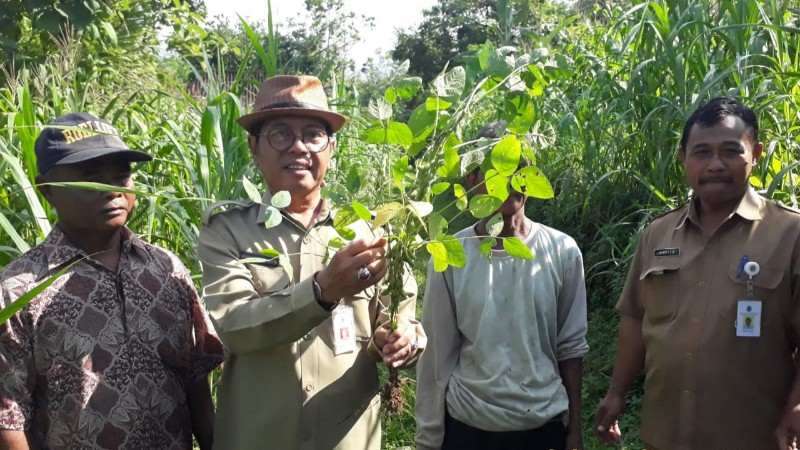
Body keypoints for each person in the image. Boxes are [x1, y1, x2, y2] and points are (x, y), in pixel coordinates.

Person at [198, 74, 426, 450]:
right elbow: (234, 325)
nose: (298, 147)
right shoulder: (227, 232)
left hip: (347, 438)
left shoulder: (368, 231)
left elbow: (401, 318)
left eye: (313, 135)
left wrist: (402, 340)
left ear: (331, 149)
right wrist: (322, 292)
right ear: (254, 147)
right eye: (280, 134)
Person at [0, 113, 223, 450]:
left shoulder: (165, 270)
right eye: (93, 179)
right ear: (47, 190)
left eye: (121, 176)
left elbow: (195, 383)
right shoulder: (20, 289)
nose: (113, 190)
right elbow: (8, 417)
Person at [595, 96, 800, 450]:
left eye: (731, 151)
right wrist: (616, 393)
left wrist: (796, 407)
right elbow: (634, 320)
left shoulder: (789, 235)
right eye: (702, 152)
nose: (715, 164)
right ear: (683, 157)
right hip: (666, 435)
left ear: (756, 153)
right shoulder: (657, 235)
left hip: (754, 438)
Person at [415, 122, 589, 450]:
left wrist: (574, 430)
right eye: (495, 168)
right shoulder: (451, 254)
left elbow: (571, 347)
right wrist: (428, 438)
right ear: (472, 181)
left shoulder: (562, 251)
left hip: (541, 424)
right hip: (470, 425)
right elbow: (436, 353)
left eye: (519, 168)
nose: (509, 180)